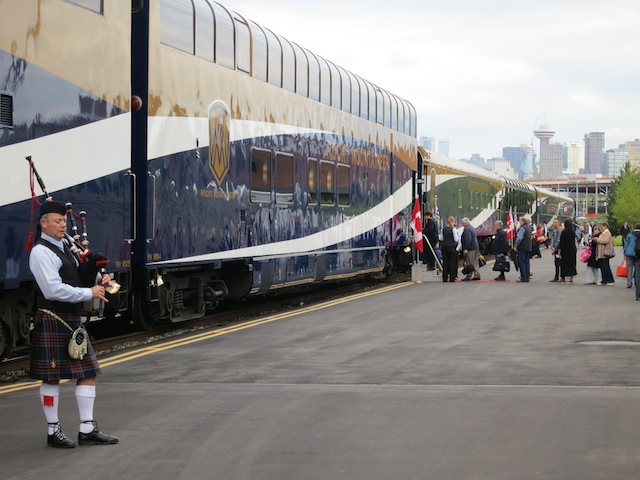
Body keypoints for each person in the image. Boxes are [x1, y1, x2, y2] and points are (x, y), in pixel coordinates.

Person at [29, 201, 119, 448]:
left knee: (88, 373)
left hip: (71, 319)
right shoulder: (41, 252)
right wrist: (89, 293)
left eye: (64, 221)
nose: (62, 225)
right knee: (51, 377)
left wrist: (99, 276)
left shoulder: (65, 248)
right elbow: (53, 289)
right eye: (57, 221)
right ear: (43, 223)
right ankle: (53, 430)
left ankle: (87, 429)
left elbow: (77, 274)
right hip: (52, 317)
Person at [439, 216, 461, 282]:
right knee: (452, 263)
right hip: (452, 248)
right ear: (453, 221)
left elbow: (441, 238)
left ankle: (444, 278)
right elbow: (456, 239)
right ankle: (452, 278)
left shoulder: (444, 228)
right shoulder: (453, 229)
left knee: (445, 263)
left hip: (445, 247)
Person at [557, 219, 577, 283]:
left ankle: (567, 278)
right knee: (572, 263)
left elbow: (562, 242)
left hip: (565, 250)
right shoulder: (573, 232)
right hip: (572, 249)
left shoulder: (564, 232)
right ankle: (571, 277)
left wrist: (559, 249)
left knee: (565, 263)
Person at [595, 221, 615, 285]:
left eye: (601, 226)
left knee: (606, 266)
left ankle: (610, 280)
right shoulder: (603, 233)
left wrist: (597, 240)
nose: (600, 228)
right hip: (601, 252)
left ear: (605, 226)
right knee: (602, 266)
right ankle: (604, 280)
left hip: (605, 252)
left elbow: (605, 241)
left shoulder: (607, 233)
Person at [513, 216, 532, 282]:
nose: (519, 222)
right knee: (526, 263)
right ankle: (527, 277)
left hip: (522, 248)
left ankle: (523, 277)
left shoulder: (522, 228)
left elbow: (519, 238)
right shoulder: (529, 228)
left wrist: (515, 246)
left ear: (522, 222)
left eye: (520, 221)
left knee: (522, 263)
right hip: (528, 248)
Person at [623, 223, 639, 289]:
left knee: (630, 268)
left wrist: (624, 252)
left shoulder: (630, 235)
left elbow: (626, 244)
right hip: (638, 253)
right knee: (637, 269)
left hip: (629, 253)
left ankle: (629, 283)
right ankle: (637, 283)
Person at [548, 218, 563, 282]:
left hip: (558, 248)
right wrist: (552, 246)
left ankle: (561, 276)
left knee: (559, 263)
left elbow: (558, 240)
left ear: (558, 223)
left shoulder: (559, 230)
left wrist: (555, 248)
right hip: (554, 248)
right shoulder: (554, 230)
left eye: (556, 222)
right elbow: (552, 238)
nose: (554, 223)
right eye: (553, 222)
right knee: (556, 263)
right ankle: (556, 276)